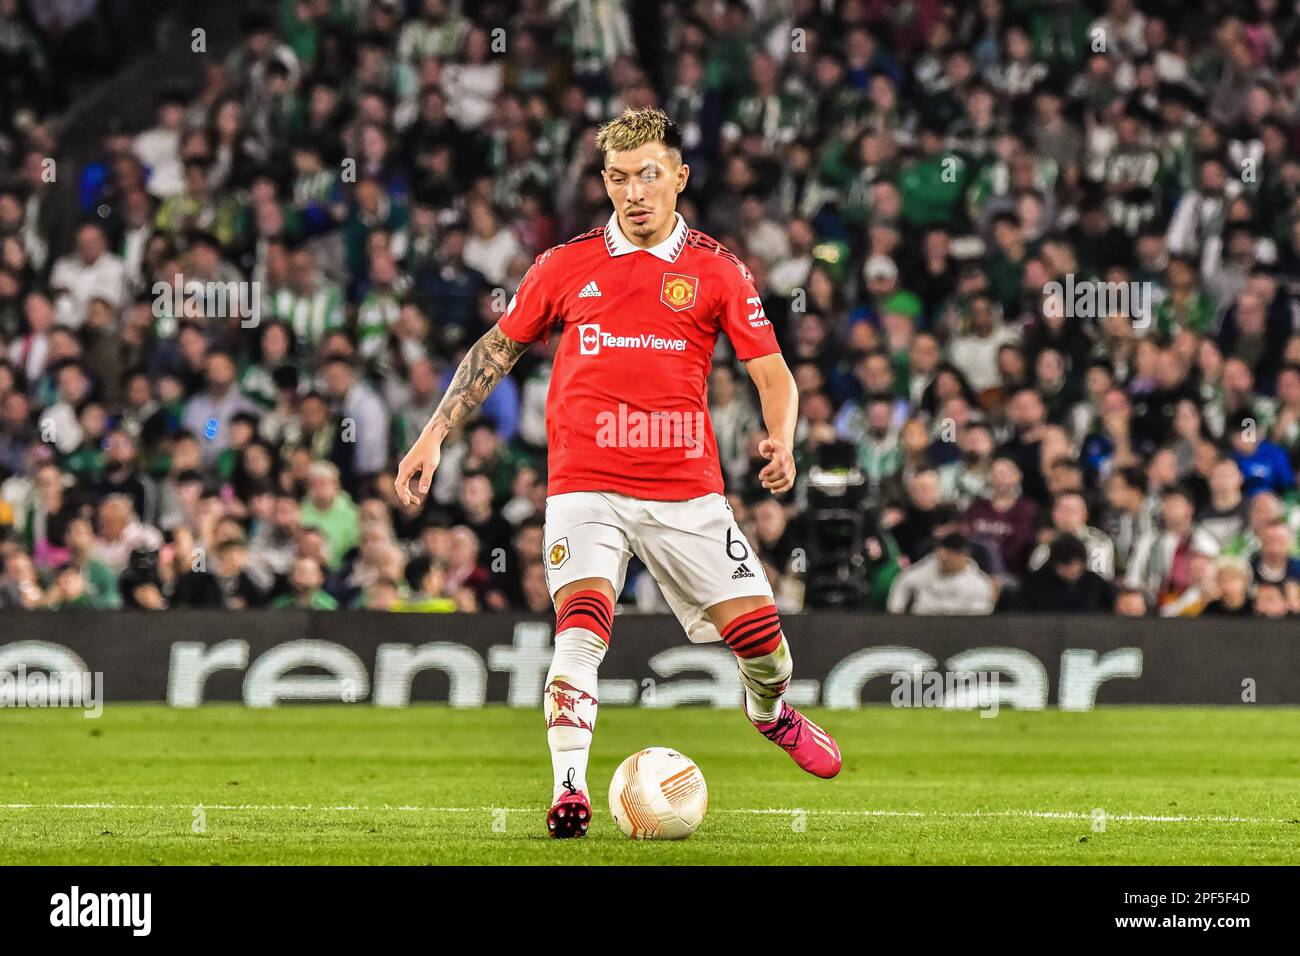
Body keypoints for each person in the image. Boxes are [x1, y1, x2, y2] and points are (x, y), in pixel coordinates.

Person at [394, 108, 841, 839]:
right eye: (620, 178)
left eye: (650, 176)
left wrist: (782, 440)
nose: (635, 193)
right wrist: (433, 435)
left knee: (765, 646)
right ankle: (569, 788)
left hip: (686, 491)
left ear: (679, 179)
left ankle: (770, 713)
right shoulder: (564, 266)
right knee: (582, 626)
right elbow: (495, 352)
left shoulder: (718, 270)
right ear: (605, 181)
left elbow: (773, 373)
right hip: (585, 484)